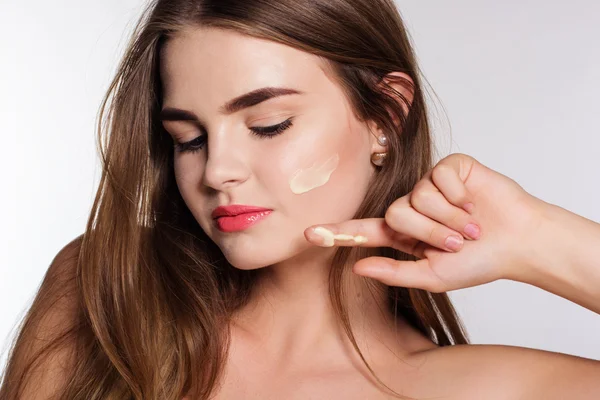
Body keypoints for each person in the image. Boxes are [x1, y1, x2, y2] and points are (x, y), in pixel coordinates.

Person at [1, 0, 599, 399]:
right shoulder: (108, 291)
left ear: (385, 117)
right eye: (187, 138)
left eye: (268, 125)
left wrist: (540, 240)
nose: (218, 170)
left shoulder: (490, 388)